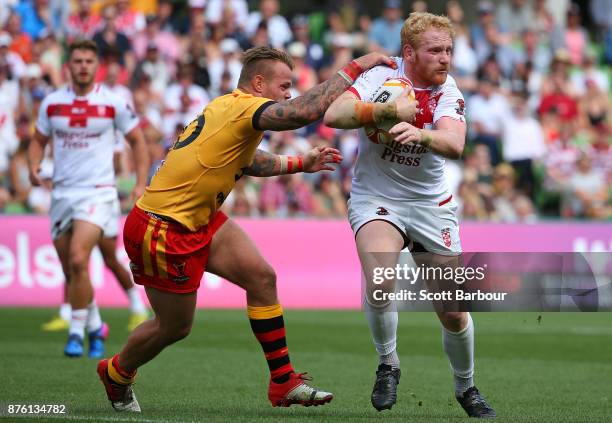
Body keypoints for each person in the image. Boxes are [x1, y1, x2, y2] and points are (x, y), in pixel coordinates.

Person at [97, 46, 400, 412]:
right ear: (259, 83)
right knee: (174, 327)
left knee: (261, 277)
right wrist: (357, 66)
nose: (288, 93)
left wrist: (299, 162)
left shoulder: (230, 107)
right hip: (163, 228)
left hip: (199, 219)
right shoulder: (243, 106)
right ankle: (116, 373)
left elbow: (248, 161)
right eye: (284, 85)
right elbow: (303, 112)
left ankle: (283, 381)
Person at [324, 12, 496, 417]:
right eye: (435, 50)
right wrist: (384, 112)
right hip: (377, 198)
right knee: (381, 281)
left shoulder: (448, 90)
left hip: (430, 204)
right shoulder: (381, 77)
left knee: (453, 312)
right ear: (409, 53)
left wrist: (420, 132)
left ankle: (465, 387)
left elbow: (455, 144)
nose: (445, 59)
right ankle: (388, 364)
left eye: (449, 50)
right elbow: (334, 116)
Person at [28, 40, 149, 358]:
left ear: (96, 66)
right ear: (68, 66)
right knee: (73, 269)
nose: (83, 65)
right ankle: (96, 325)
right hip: (62, 193)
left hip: (98, 193)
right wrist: (32, 165)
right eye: (77, 61)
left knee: (83, 258)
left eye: (88, 61)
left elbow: (137, 141)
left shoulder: (113, 102)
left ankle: (75, 332)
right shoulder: (52, 103)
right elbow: (38, 140)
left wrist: (139, 181)